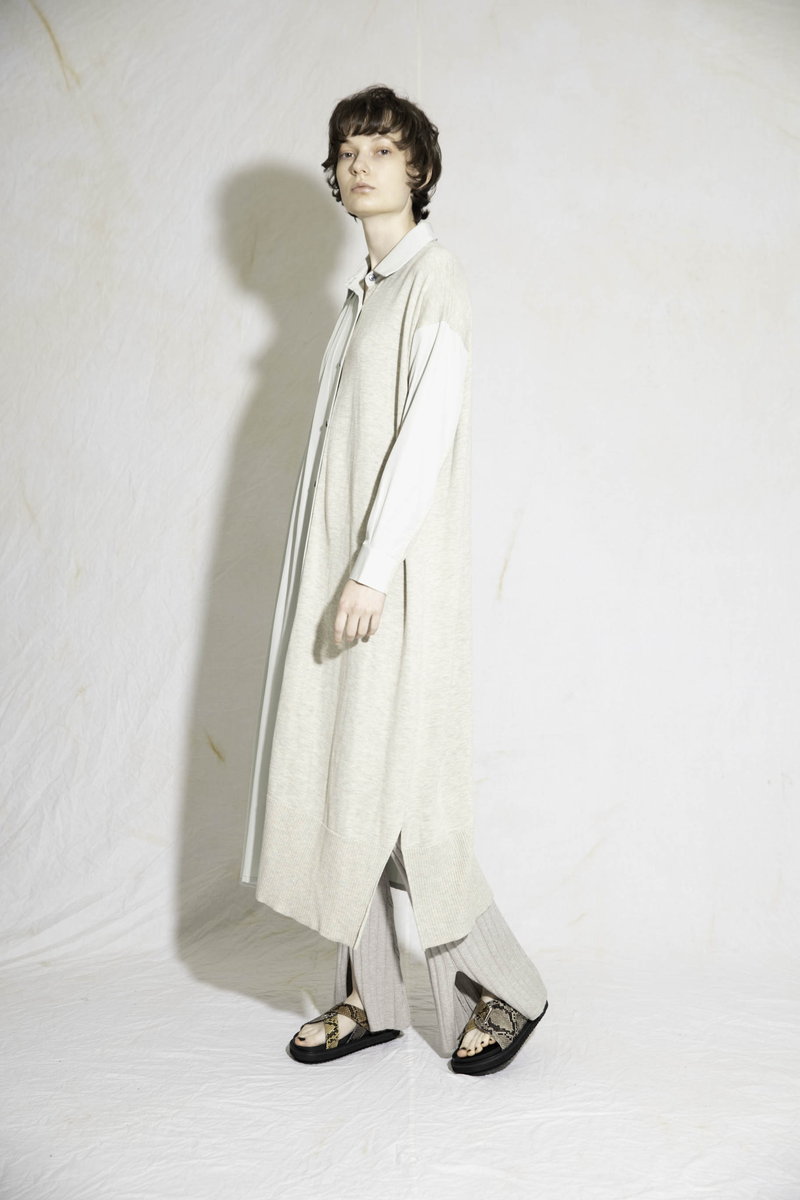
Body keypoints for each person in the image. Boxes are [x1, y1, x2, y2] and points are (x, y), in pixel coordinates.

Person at [240, 84, 548, 1075]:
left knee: (398, 787)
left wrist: (371, 570)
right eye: (347, 150)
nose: (360, 162)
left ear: (418, 170)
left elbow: (424, 438)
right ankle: (369, 995)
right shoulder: (365, 296)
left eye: (381, 147)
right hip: (340, 583)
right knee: (343, 774)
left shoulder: (433, 280)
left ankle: (506, 985)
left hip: (389, 582)